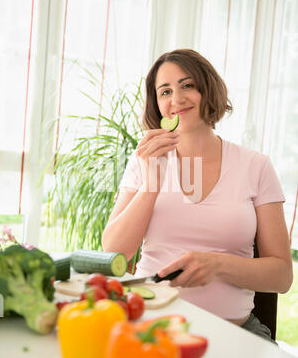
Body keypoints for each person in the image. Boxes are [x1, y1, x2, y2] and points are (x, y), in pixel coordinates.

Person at [102, 49, 293, 342]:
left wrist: (217, 266)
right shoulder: (146, 161)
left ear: (208, 89)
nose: (176, 99)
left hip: (235, 332)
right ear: (157, 104)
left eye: (187, 85)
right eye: (165, 91)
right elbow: (115, 251)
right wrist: (151, 185)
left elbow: (281, 275)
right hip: (151, 325)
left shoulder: (256, 166)